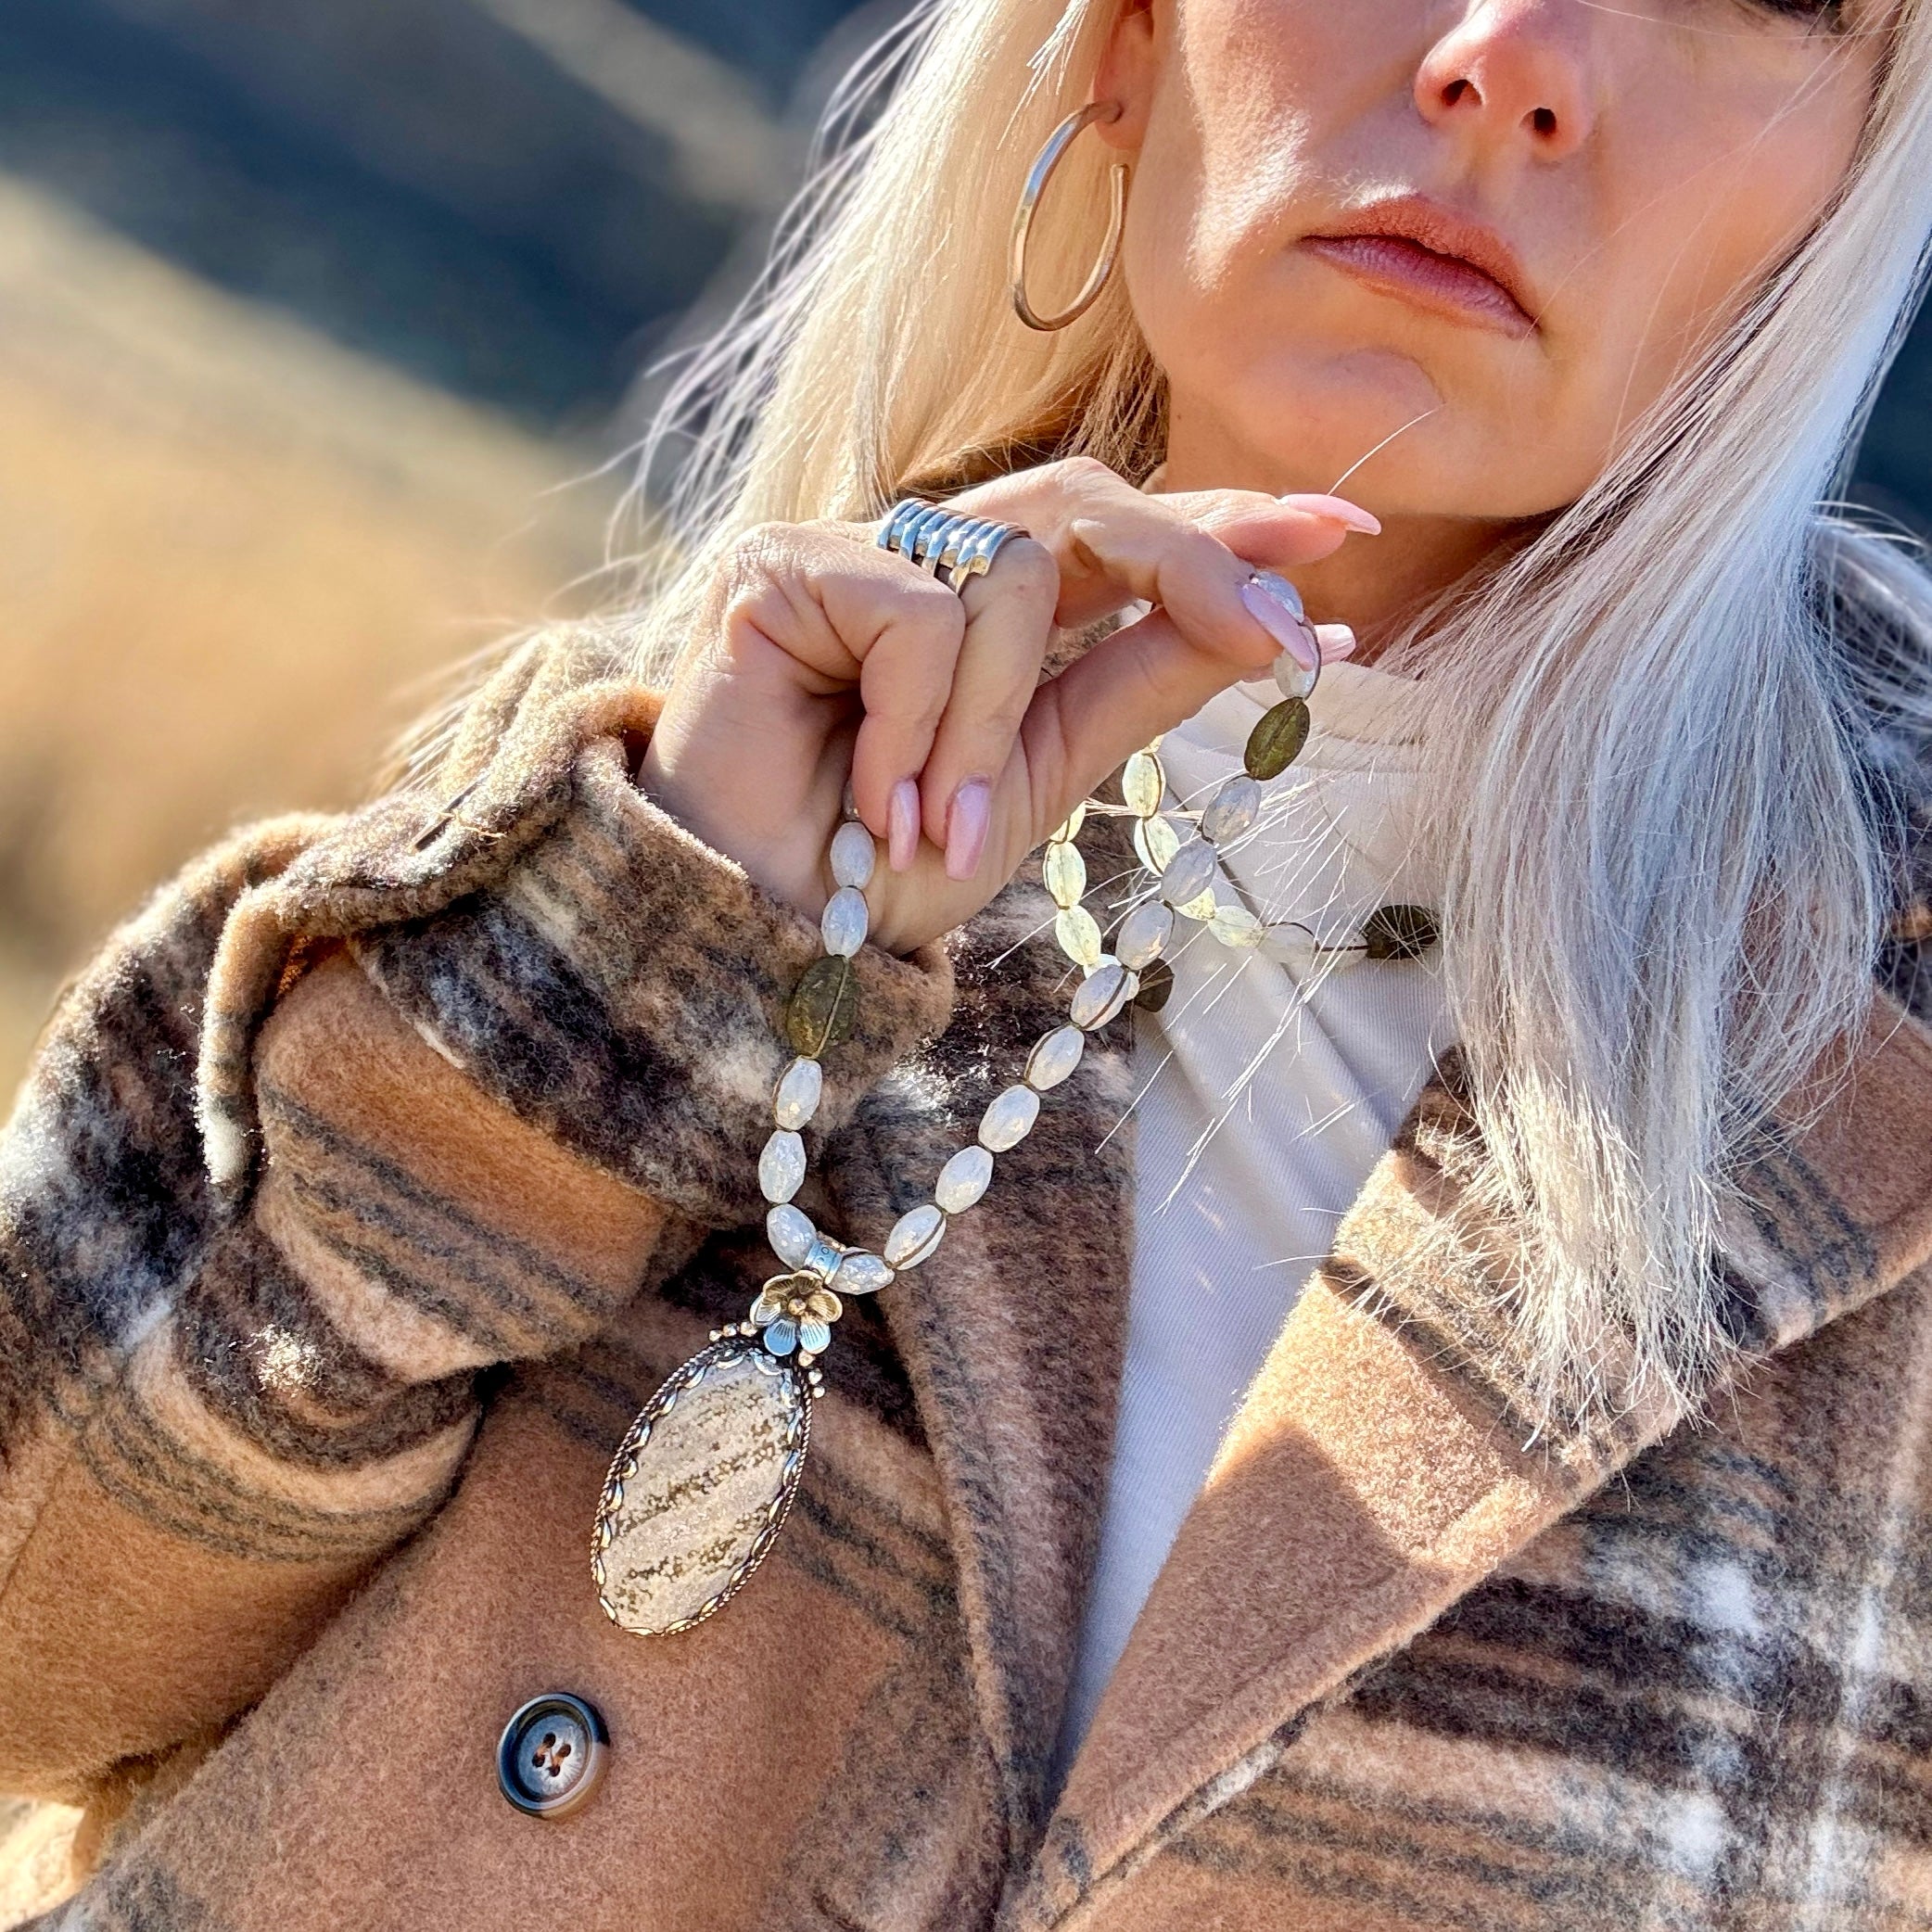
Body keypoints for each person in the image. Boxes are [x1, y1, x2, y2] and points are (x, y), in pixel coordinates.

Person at [4, 0, 1932, 1926]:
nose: (1504, 54)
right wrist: (617, 978)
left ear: (1846, 194)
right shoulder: (678, 805)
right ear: (1116, 45)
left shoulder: (1872, 1035)